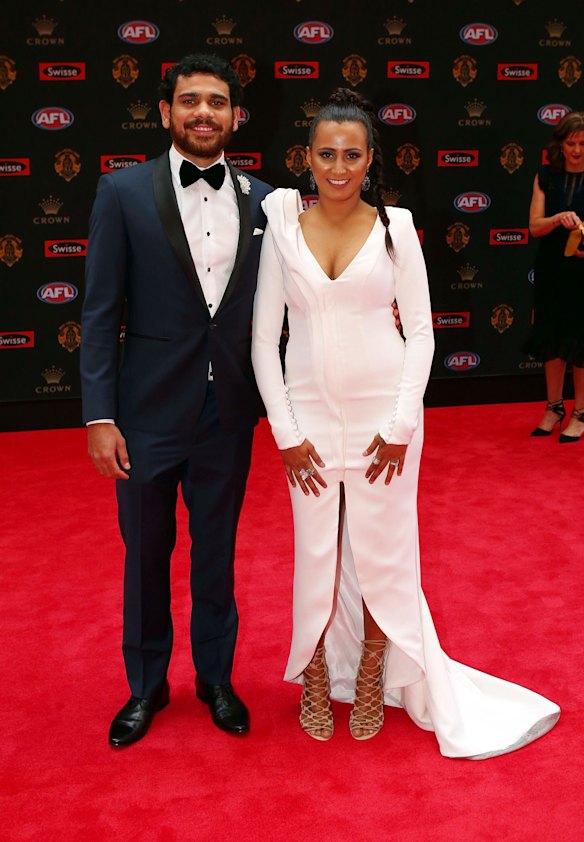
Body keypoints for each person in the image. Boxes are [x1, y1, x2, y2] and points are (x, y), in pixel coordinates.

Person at [251, 89, 560, 757]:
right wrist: (284, 432)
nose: (339, 167)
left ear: (370, 159)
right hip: (305, 419)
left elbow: (420, 334)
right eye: (326, 154)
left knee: (384, 553)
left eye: (352, 155)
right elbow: (261, 341)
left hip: (383, 422)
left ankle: (370, 672)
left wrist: (398, 424)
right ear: (307, 157)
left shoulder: (396, 226)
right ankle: (312, 672)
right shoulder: (283, 227)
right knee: (314, 553)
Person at [81, 53, 272, 747]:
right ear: (166, 112)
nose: (203, 113)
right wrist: (100, 416)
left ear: (234, 116)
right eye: (190, 101)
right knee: (145, 556)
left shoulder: (265, 198)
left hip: (227, 417)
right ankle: (146, 686)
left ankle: (216, 680)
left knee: (216, 554)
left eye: (217, 102)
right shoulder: (122, 193)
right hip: (145, 415)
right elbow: (100, 312)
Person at [526, 112, 584, 440]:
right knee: (550, 338)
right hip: (551, 267)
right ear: (560, 144)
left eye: (582, 144)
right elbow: (534, 226)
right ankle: (554, 407)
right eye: (570, 143)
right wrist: (557, 217)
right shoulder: (546, 175)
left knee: (581, 341)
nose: (576, 150)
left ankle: (580, 413)